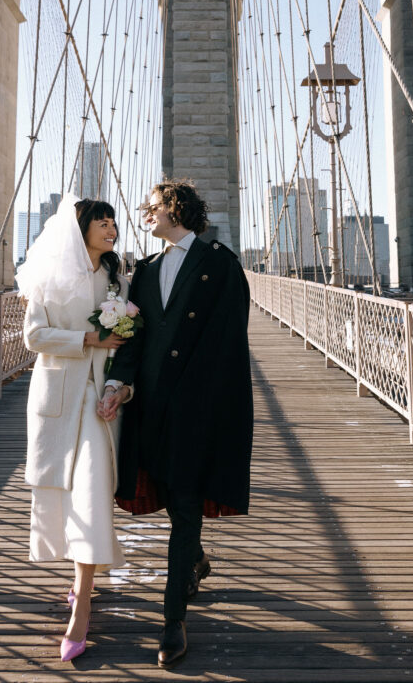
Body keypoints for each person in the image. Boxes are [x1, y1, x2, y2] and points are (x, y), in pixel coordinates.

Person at [98, 179, 253, 668]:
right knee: (169, 498)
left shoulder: (220, 264)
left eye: (152, 208)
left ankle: (172, 622)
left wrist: (208, 403)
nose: (145, 215)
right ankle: (197, 561)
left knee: (184, 505)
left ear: (175, 209)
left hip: (195, 409)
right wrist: (116, 384)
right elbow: (133, 339)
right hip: (149, 408)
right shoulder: (143, 271)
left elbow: (229, 342)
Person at [17, 194, 131, 662]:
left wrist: (121, 387)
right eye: (101, 221)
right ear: (79, 228)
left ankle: (82, 604)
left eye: (113, 221)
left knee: (91, 492)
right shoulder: (46, 276)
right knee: (66, 497)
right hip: (60, 398)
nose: (111, 228)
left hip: (102, 402)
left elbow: (127, 346)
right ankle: (80, 581)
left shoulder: (118, 278)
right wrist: (87, 338)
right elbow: (34, 337)